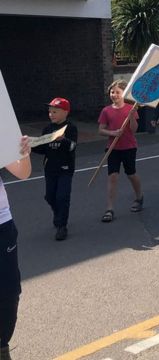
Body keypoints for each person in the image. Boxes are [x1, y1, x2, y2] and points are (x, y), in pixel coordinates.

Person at [0, 136, 31, 360]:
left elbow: (23, 172)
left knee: (9, 292)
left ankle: (2, 345)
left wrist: (25, 153)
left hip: (2, 225)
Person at [31, 98, 78, 241]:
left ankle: (62, 226)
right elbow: (42, 148)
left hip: (65, 168)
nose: (51, 114)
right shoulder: (47, 129)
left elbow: (72, 147)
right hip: (50, 168)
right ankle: (57, 213)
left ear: (65, 112)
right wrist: (30, 146)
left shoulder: (70, 128)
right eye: (50, 112)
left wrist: (63, 140)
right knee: (50, 196)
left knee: (62, 196)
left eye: (55, 112)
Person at [98, 80, 143, 223]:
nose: (114, 95)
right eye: (112, 92)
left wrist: (131, 118)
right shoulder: (106, 110)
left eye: (118, 92)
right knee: (113, 176)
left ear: (124, 93)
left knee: (131, 174)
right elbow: (100, 130)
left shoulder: (130, 109)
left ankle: (139, 196)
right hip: (113, 148)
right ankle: (109, 209)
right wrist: (112, 132)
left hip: (129, 147)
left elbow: (134, 130)